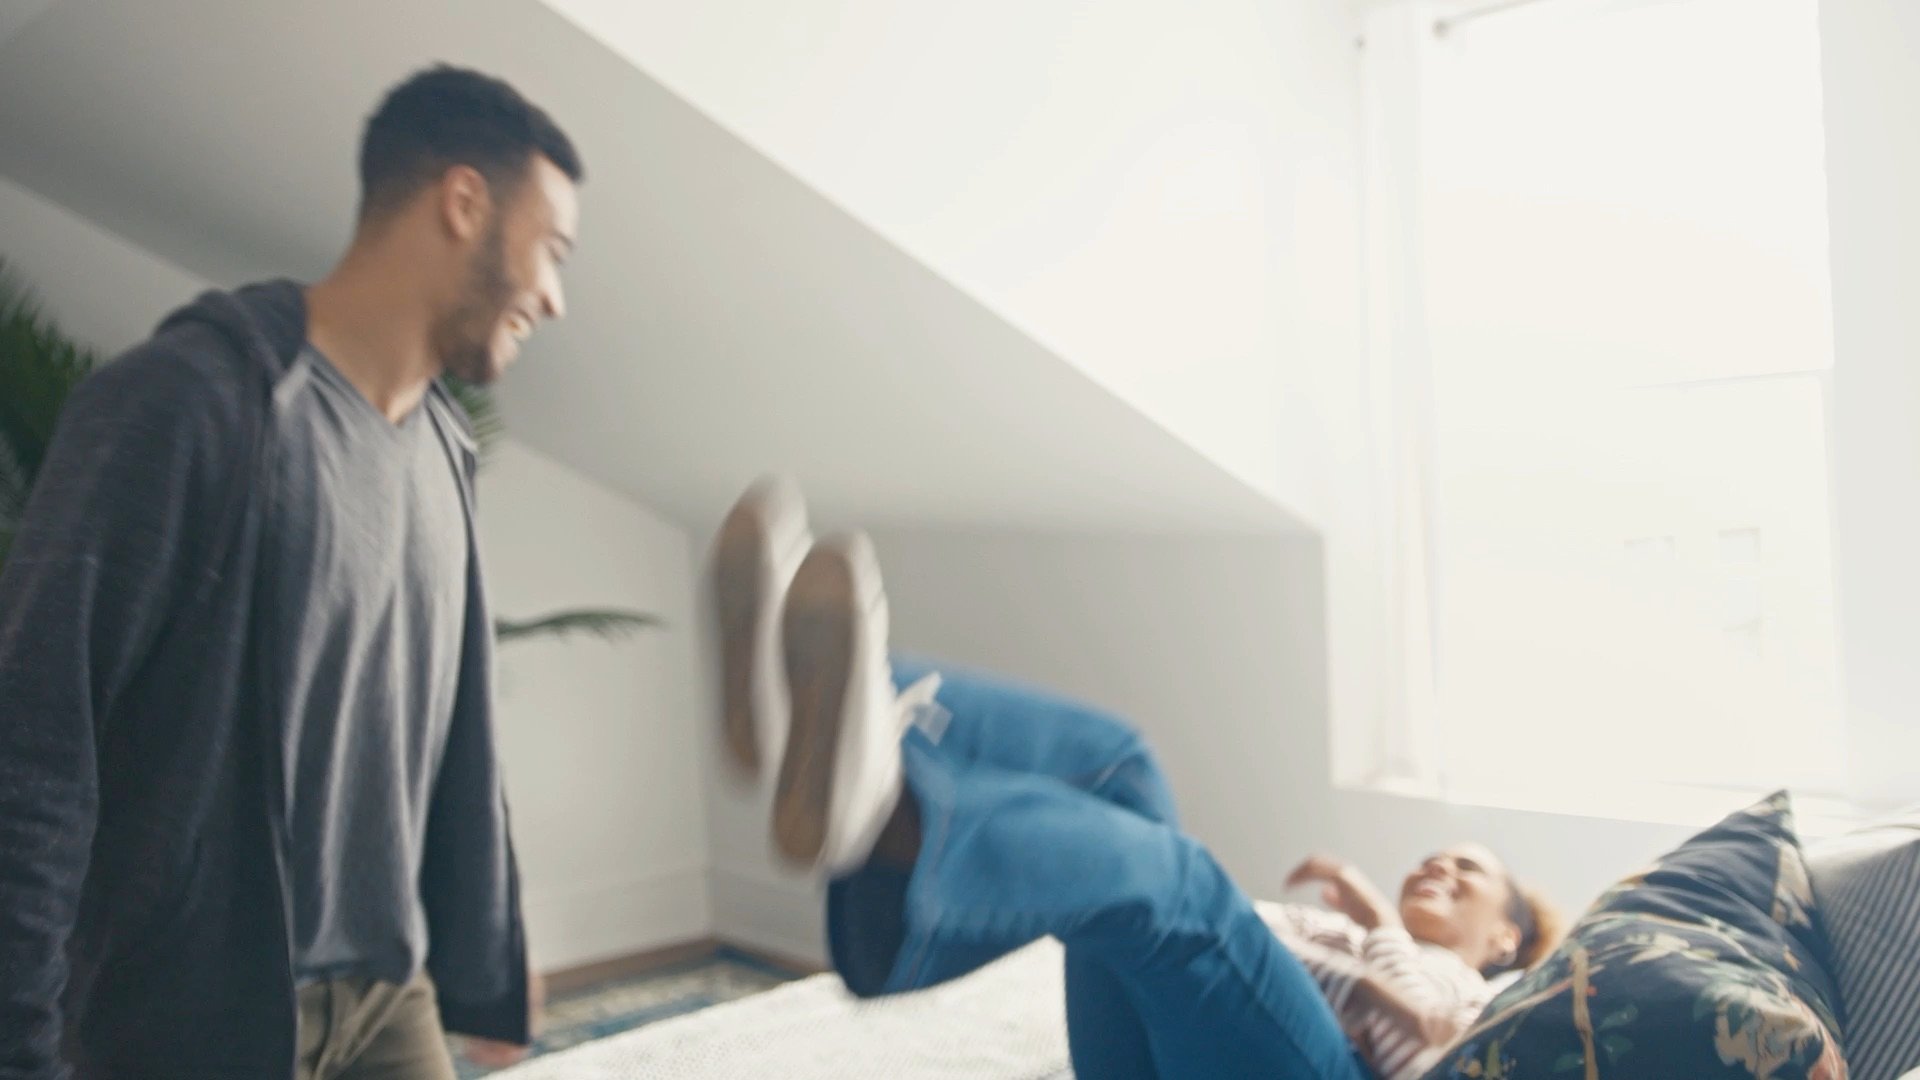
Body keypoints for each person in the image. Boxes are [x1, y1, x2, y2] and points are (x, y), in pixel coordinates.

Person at [0, 66, 582, 1080]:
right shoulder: (185, 403)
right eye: (553, 251)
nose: (554, 299)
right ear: (463, 202)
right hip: (197, 1014)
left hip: (390, 997)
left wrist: (486, 940)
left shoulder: (446, 453)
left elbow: (445, 736)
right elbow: (35, 739)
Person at [711, 478, 1562, 1080]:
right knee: (1122, 768)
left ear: (1504, 940)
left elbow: (1417, 1049)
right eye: (1440, 857)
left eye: (1470, 872)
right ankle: (843, 701)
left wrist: (1375, 922)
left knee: (1184, 886)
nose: (1440, 866)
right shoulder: (1343, 936)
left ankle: (897, 816)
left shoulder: (1490, 996)